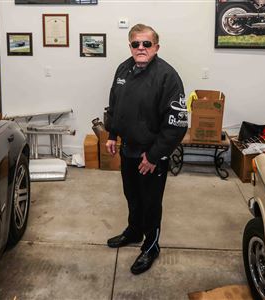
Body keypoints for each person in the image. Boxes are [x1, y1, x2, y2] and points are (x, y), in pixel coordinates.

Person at [105, 24, 188, 275]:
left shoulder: (167, 77)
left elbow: (176, 125)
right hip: (128, 149)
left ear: (156, 47)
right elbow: (115, 104)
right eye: (135, 44)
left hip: (151, 154)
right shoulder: (123, 68)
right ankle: (133, 232)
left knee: (151, 203)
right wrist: (112, 134)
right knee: (132, 196)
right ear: (130, 46)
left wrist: (153, 156)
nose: (141, 48)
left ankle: (151, 247)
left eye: (146, 44)